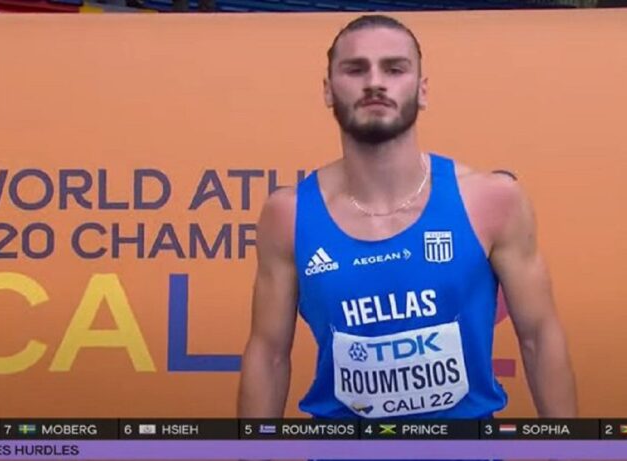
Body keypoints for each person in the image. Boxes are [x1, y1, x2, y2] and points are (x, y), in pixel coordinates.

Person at [237, 14, 577, 420]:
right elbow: (269, 354)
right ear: (328, 90)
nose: (374, 82)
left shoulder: (491, 199)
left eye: (394, 69)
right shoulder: (288, 215)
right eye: (355, 69)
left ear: (422, 89)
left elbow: (539, 336)